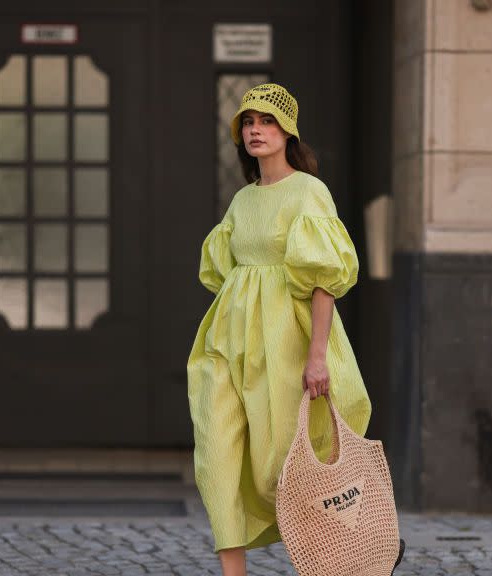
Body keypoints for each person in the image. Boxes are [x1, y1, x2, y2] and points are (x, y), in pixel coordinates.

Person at [186, 83, 381, 575]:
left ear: (288, 131)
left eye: (266, 121)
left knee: (287, 464)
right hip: (228, 343)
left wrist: (318, 355)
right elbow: (222, 272)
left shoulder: (309, 191)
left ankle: (334, 561)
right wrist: (243, 314)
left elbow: (324, 280)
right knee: (216, 453)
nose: (255, 130)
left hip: (290, 343)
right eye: (248, 123)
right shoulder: (244, 199)